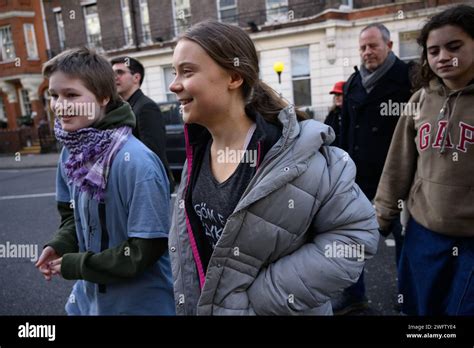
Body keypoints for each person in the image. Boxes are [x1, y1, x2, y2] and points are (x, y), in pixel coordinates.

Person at [168, 20, 379, 315]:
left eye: (187, 71)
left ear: (234, 76)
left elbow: (354, 239)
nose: (173, 84)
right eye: (174, 72)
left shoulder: (302, 156)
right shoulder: (199, 151)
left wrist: (258, 301)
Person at [35, 47, 175, 315]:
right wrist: (60, 245)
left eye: (71, 95)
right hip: (87, 303)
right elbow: (71, 219)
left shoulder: (137, 162)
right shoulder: (71, 152)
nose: (59, 105)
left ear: (103, 97)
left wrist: (78, 265)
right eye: (54, 95)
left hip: (141, 306)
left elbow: (144, 250)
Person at [375, 4, 474, 315]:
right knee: (422, 312)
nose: (442, 56)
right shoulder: (419, 101)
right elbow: (398, 165)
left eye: (454, 46)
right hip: (423, 233)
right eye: (433, 51)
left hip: (471, 241)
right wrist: (382, 216)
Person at [334, 23, 411, 315]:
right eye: (363, 47)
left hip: (397, 183)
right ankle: (354, 296)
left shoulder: (407, 78)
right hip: (358, 181)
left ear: (389, 46)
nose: (367, 52)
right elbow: (346, 131)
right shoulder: (354, 81)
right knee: (352, 241)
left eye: (373, 46)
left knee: (404, 244)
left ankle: (407, 300)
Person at [111, 56, 175, 193]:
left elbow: (152, 153)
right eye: (112, 74)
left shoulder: (146, 107)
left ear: (136, 78)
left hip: (148, 185)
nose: (114, 77)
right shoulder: (124, 108)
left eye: (120, 73)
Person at [324, 81, 345, 147]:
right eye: (335, 95)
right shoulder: (332, 114)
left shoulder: (352, 112)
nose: (337, 97)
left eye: (339, 94)